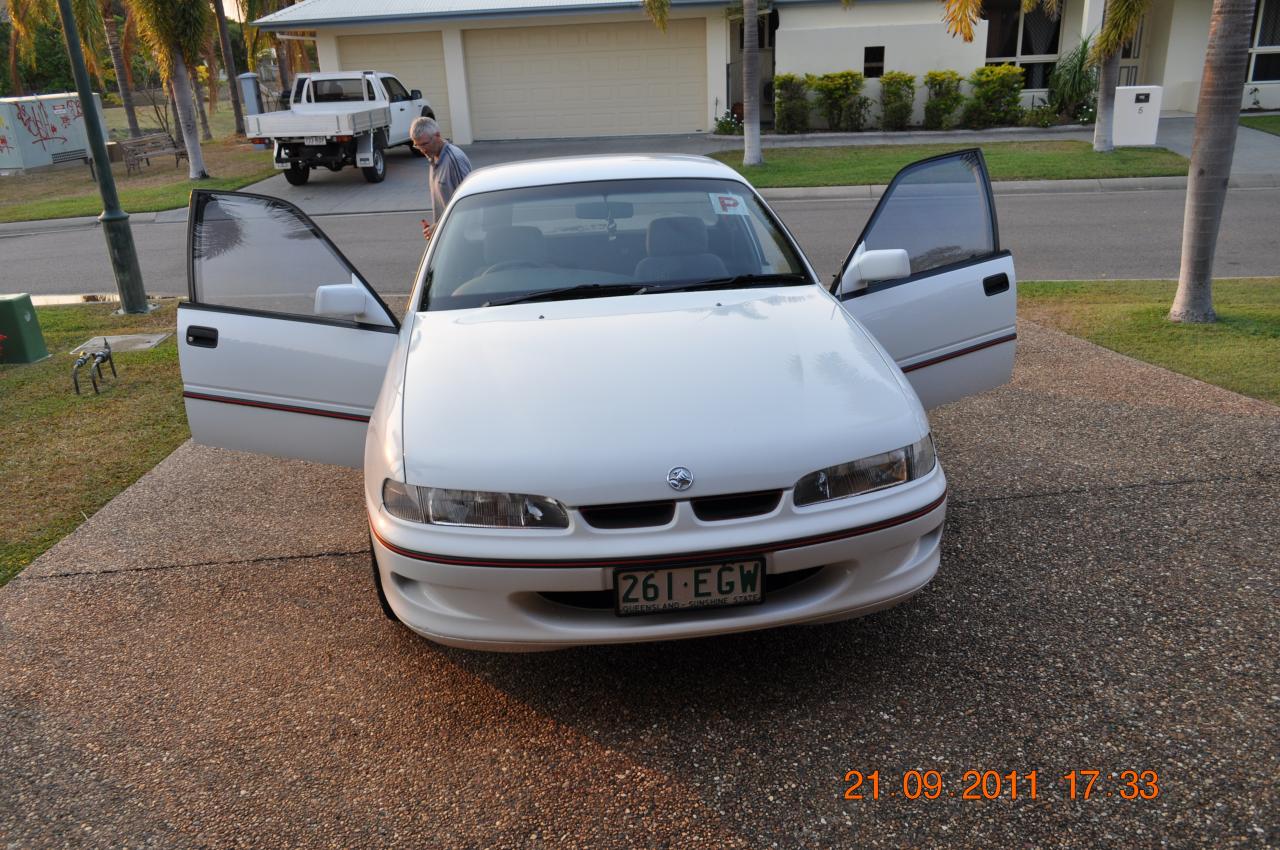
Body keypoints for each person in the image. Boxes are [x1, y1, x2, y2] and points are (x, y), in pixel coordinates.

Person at [410, 116, 472, 240]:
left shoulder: (454, 160)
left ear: (437, 136)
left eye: (424, 144)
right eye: (417, 146)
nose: (422, 150)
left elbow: (468, 204)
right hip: (447, 234)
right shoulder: (433, 158)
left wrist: (438, 227)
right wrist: (436, 229)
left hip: (462, 237)